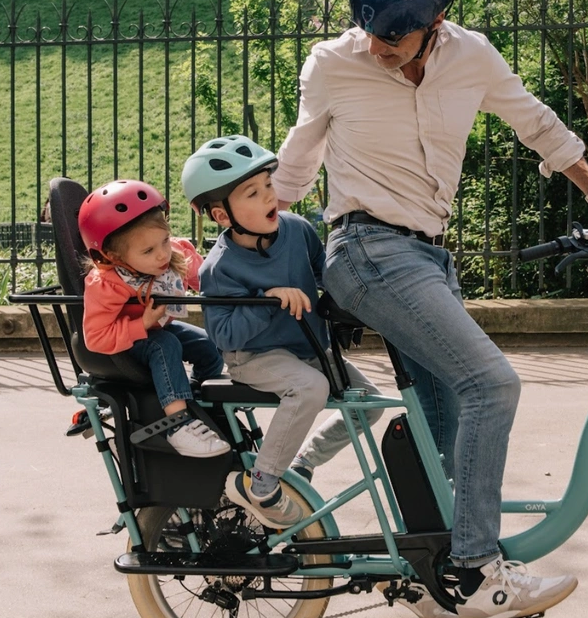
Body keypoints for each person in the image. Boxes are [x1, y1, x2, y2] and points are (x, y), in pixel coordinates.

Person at [271, 0, 588, 618]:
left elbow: (538, 124)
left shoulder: (472, 57)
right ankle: (477, 570)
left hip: (428, 260)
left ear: (435, 23)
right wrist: (247, 242)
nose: (377, 46)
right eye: (369, 32)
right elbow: (297, 162)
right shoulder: (333, 63)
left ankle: (434, 575)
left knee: (444, 422)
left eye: (393, 36)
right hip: (366, 250)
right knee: (491, 384)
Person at [182, 134, 384, 529]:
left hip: (307, 348)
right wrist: (267, 300)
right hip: (254, 358)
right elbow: (225, 338)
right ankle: (260, 483)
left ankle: (301, 463)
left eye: (269, 186)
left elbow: (327, 277)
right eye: (252, 193)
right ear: (223, 215)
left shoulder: (297, 231)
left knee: (370, 403)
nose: (269, 198)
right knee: (310, 387)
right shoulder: (219, 268)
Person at [79, 179, 230, 459]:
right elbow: (96, 337)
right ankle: (179, 425)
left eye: (163, 240)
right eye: (148, 251)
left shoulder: (174, 254)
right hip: (129, 340)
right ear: (114, 256)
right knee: (165, 345)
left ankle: (198, 401)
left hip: (160, 327)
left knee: (208, 346)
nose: (161, 254)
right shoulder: (108, 283)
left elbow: (208, 279)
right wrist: (142, 324)